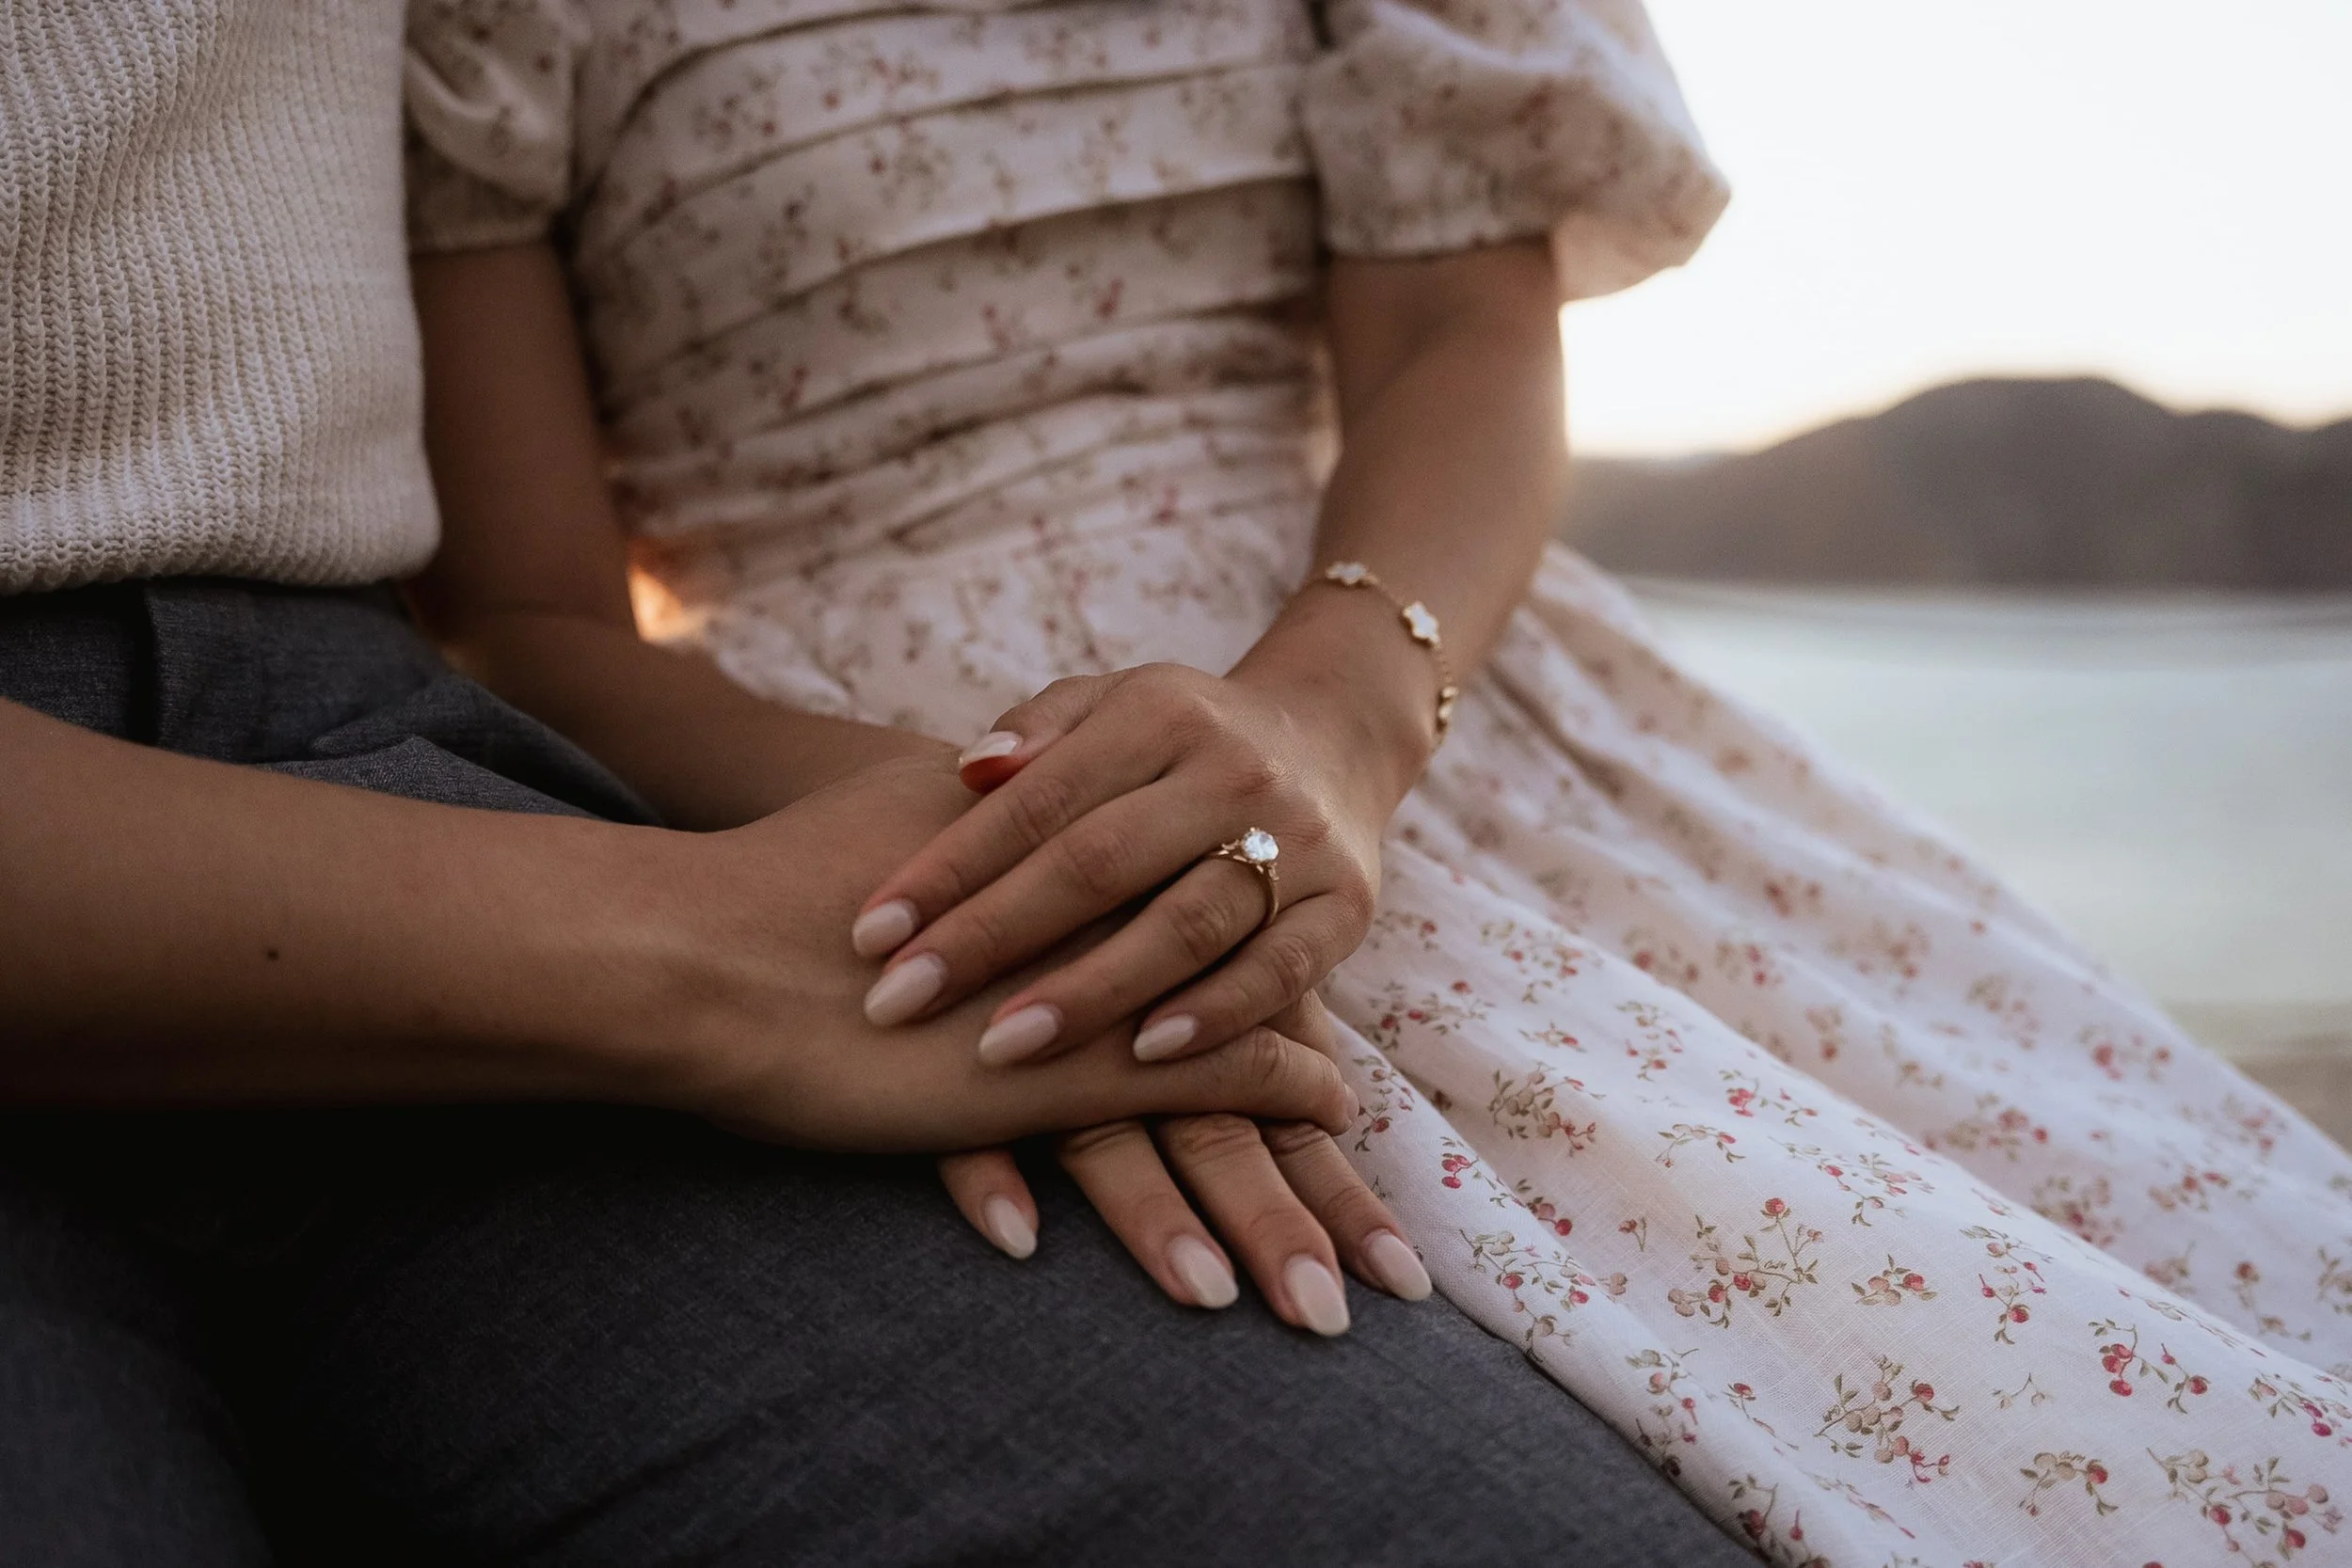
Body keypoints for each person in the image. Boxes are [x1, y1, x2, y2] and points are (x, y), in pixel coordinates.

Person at [398, 0, 2352, 1561]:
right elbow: (529, 616)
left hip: (1413, 667)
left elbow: (1452, 327)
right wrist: (970, 833)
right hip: (861, 763)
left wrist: (1327, 723)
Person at [0, 4, 1762, 1564]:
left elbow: (1463, 318)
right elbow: (531, 610)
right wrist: (704, 948)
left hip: (405, 743)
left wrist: (1078, 807)